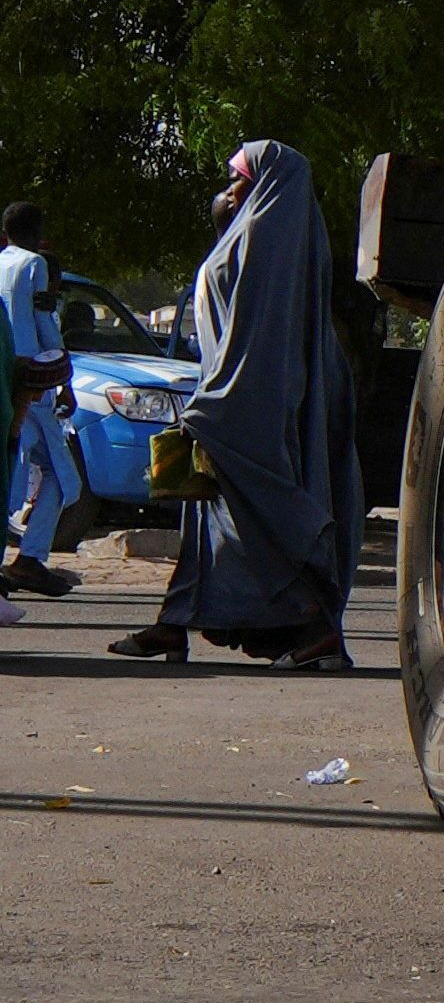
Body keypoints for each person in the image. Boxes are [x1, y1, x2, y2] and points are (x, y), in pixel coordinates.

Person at [106, 142, 362, 670]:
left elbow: (261, 343)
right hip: (232, 402)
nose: (227, 189)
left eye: (237, 179)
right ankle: (173, 625)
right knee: (210, 525)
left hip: (252, 409)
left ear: (267, 184)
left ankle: (317, 630)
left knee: (264, 524)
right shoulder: (252, 238)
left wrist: (218, 407)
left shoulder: (268, 247)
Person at [1, 200, 77, 599]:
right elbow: (44, 322)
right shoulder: (35, 265)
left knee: (10, 474)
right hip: (35, 386)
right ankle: (29, 560)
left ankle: (25, 560)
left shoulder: (1, 263)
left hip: (7, 384)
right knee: (66, 480)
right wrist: (66, 380)